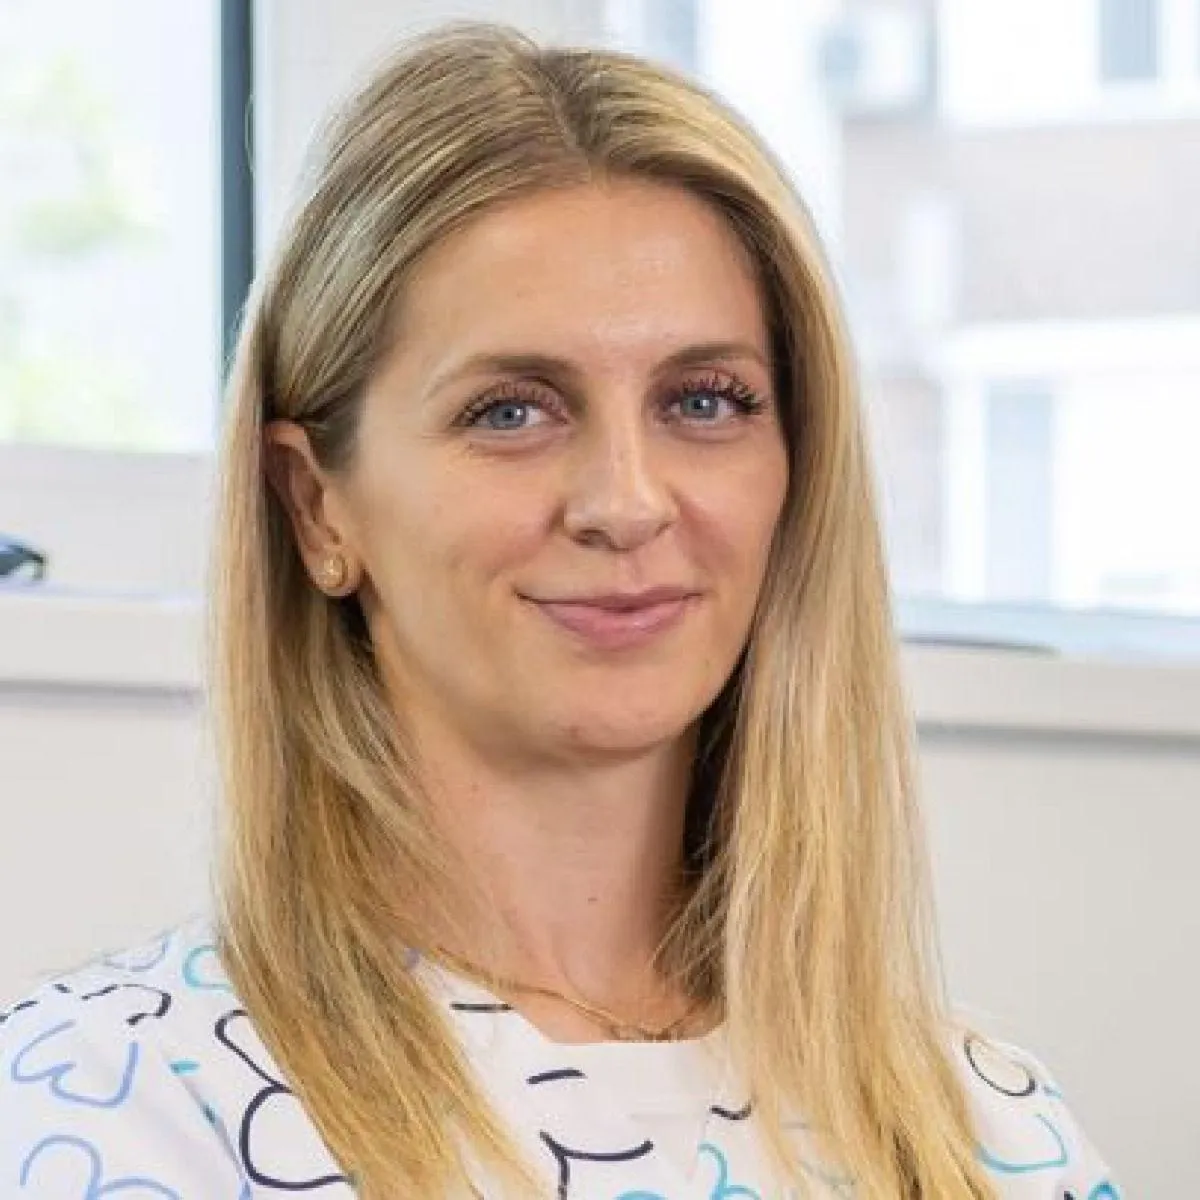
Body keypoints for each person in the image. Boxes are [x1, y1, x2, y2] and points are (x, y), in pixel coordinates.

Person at [0, 23, 1120, 1199]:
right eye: (511, 412)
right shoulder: (114, 1103)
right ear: (316, 505)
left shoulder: (986, 1124)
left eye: (704, 400)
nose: (626, 503)